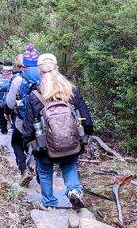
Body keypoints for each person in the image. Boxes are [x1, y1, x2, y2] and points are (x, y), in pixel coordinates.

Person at [22, 53, 93, 209]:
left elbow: (27, 126)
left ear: (39, 71)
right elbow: (86, 117)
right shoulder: (70, 90)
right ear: (57, 68)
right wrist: (86, 137)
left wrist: (27, 144)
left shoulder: (35, 95)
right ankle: (73, 190)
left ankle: (49, 203)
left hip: (44, 145)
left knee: (45, 172)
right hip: (71, 142)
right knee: (69, 167)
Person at [6, 44, 41, 187]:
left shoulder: (18, 79)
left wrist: (9, 111)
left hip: (23, 121)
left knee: (16, 142)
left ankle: (24, 169)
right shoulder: (45, 76)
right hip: (44, 120)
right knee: (39, 144)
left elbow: (9, 103)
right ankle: (35, 165)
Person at [0, 60, 14, 134]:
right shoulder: (13, 77)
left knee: (2, 115)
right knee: (13, 114)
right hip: (11, 99)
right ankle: (14, 128)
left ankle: (3, 129)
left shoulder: (0, 76)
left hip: (1, 99)